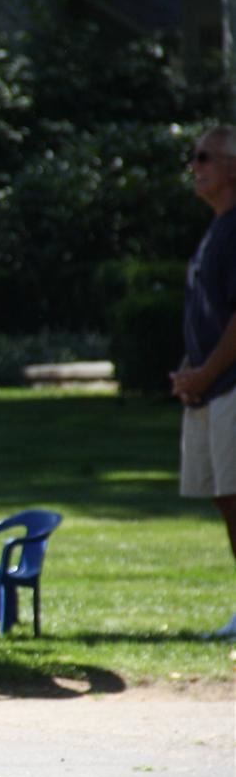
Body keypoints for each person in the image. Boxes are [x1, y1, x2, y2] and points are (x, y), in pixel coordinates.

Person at [175, 125, 236, 637]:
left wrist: (208, 371)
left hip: (231, 386)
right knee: (224, 495)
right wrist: (188, 370)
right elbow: (209, 312)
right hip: (209, 387)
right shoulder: (216, 228)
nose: (195, 166)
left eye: (205, 157)